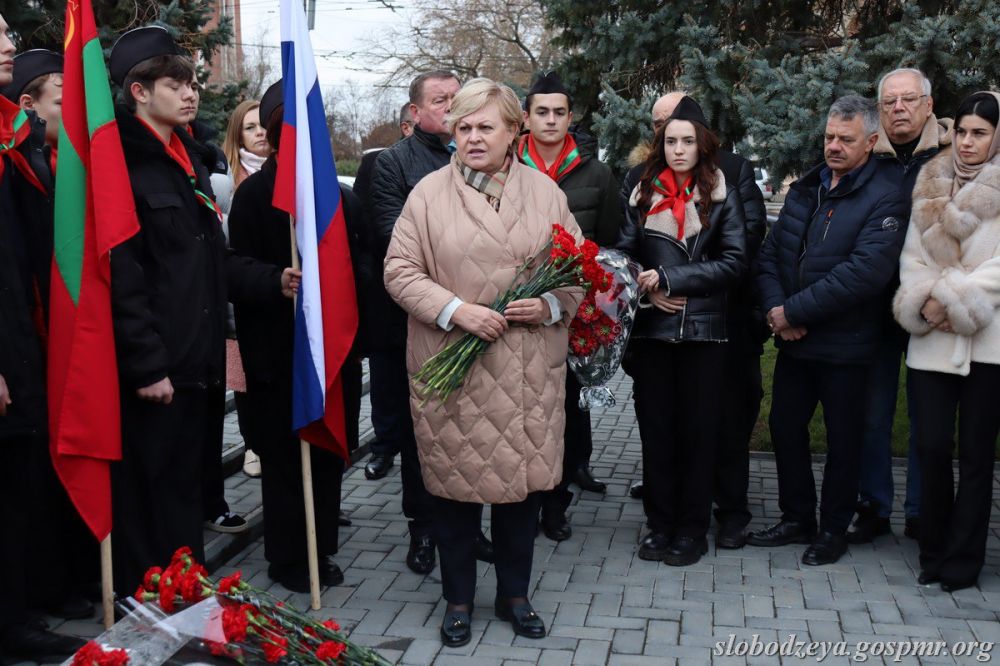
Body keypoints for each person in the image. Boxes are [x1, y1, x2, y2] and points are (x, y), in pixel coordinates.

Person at [384, 77, 583, 646]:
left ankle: (515, 596)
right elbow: (398, 272)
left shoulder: (546, 194)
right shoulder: (427, 195)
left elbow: (576, 273)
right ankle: (458, 600)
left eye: (485, 126)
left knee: (521, 494)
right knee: (453, 493)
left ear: (512, 130)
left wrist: (547, 303)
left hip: (526, 368)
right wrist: (454, 310)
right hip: (453, 367)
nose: (472, 137)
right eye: (463, 126)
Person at [106, 26, 254, 592]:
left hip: (197, 361)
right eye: (176, 83)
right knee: (154, 488)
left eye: (194, 82)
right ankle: (151, 595)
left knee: (185, 488)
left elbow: (204, 260)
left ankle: (185, 588)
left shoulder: (188, 157)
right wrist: (146, 363)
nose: (191, 93)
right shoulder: (122, 162)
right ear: (140, 92)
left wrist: (268, 282)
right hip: (158, 367)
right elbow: (124, 273)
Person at [749, 96, 908, 566]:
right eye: (829, 137)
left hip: (848, 345)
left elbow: (865, 273)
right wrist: (777, 309)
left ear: (872, 141)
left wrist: (793, 312)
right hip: (796, 341)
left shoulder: (888, 194)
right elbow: (770, 256)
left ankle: (833, 528)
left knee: (844, 440)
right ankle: (797, 516)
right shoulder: (807, 186)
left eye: (846, 139)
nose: (833, 147)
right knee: (785, 426)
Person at [227, 80, 364, 592]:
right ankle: (288, 557)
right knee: (286, 461)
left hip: (333, 352)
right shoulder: (255, 195)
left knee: (326, 453)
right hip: (276, 356)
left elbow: (364, 267)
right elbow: (233, 267)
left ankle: (320, 546)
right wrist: (275, 280)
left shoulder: (340, 198)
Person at [622, 92, 767, 550]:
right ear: (659, 145)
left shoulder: (721, 194)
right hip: (653, 331)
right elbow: (622, 255)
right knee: (658, 431)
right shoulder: (641, 190)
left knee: (701, 432)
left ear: (702, 145)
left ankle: (691, 529)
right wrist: (648, 292)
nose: (678, 149)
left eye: (686, 141)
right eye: (669, 141)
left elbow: (735, 261)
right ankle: (660, 524)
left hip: (707, 332)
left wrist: (670, 276)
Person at [371, 70, 494, 573]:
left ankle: (470, 529)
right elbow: (394, 241)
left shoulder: (483, 162)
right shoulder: (393, 165)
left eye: (456, 99)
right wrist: (460, 292)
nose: (450, 108)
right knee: (424, 436)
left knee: (476, 433)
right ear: (415, 112)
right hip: (422, 323)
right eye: (439, 101)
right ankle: (423, 530)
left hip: (483, 324)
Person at [2, 47, 103, 621]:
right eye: (64, 103)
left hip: (40, 339)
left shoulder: (44, 159)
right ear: (29, 105)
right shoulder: (24, 157)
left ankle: (57, 586)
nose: (7, 42)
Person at [893, 91, 1000, 592]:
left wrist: (951, 299)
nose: (968, 141)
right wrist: (926, 301)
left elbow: (998, 270)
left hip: (988, 343)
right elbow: (912, 258)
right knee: (932, 445)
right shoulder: (930, 182)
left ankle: (963, 561)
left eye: (980, 132)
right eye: (961, 131)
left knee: (977, 457)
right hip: (932, 342)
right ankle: (932, 551)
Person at [517, 71, 624, 541]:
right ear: (526, 117)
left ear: (570, 117)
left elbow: (615, 238)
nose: (551, 120)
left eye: (560, 112)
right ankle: (519, 500)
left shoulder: (595, 172)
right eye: (542, 111)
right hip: (515, 310)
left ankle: (555, 504)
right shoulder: (505, 164)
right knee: (520, 409)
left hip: (571, 311)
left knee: (563, 409)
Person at [849, 68, 951, 544]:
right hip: (875, 303)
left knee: (928, 416)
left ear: (928, 105)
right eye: (889, 102)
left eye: (909, 100)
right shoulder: (867, 156)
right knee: (873, 411)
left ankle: (922, 510)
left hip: (934, 305)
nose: (898, 109)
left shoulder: (954, 154)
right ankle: (873, 505)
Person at [354, 101, 413, 481]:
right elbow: (364, 226)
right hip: (385, 296)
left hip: (432, 297)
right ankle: (384, 446)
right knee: (386, 381)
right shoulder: (378, 164)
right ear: (407, 126)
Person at [219, 99, 270, 480]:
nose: (260, 134)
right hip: (236, 310)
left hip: (274, 302)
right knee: (243, 385)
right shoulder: (226, 183)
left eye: (263, 125)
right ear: (237, 137)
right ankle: (252, 443)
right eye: (250, 128)